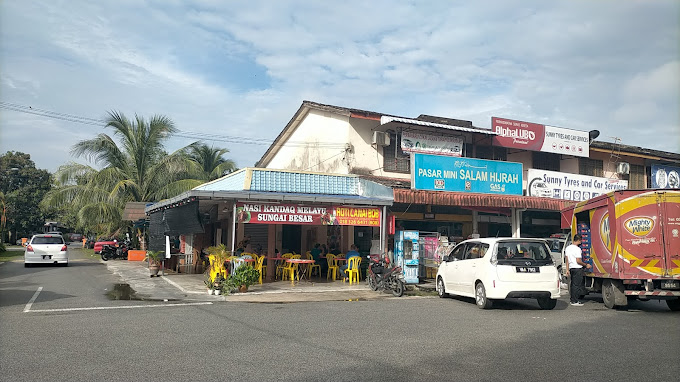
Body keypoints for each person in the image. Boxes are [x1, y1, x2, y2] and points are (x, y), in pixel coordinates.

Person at [565, 234, 592, 306]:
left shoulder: (568, 248)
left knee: (573, 284)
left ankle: (572, 300)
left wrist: (567, 269)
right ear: (579, 240)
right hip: (577, 268)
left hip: (571, 268)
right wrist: (586, 265)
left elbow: (567, 260)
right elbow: (578, 261)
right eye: (581, 240)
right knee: (577, 285)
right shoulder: (577, 249)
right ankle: (575, 301)